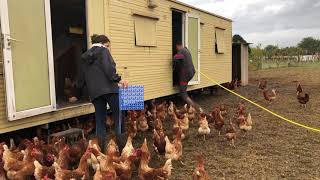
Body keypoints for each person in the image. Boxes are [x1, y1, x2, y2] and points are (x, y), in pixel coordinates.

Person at [75, 34, 128, 151]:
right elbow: (109, 70)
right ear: (104, 44)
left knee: (100, 121)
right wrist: (119, 79)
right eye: (108, 46)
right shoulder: (103, 52)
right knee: (118, 117)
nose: (108, 48)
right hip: (110, 90)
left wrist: (76, 94)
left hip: (95, 93)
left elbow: (81, 78)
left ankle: (101, 150)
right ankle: (122, 149)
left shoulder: (84, 57)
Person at [173, 42, 197, 107]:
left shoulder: (182, 51)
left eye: (176, 48)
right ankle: (187, 105)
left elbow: (175, 57)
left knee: (183, 93)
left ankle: (195, 107)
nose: (176, 49)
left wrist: (173, 57)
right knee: (183, 86)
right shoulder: (186, 50)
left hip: (186, 74)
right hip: (191, 72)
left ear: (178, 46)